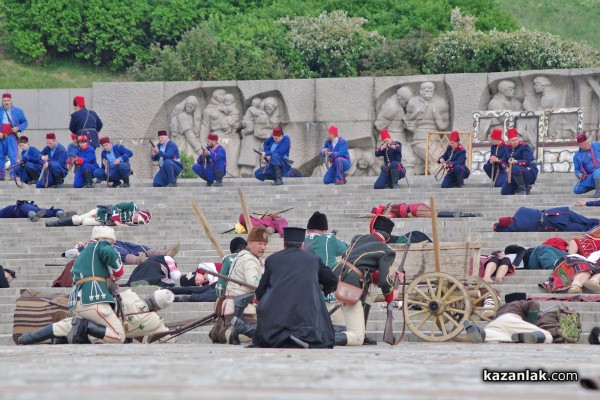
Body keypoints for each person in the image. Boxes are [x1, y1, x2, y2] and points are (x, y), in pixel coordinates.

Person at [18, 226, 125, 344]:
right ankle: (85, 328)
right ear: (110, 240)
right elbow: (109, 252)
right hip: (94, 300)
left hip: (76, 303)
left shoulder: (83, 251)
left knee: (69, 324)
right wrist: (118, 272)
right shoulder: (101, 245)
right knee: (119, 336)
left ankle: (30, 337)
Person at [253, 227, 337, 348]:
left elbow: (260, 292)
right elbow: (332, 281)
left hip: (275, 329)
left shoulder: (272, 260)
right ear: (302, 244)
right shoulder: (313, 259)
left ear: (284, 244)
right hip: (308, 328)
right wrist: (322, 288)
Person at [17, 286, 177, 344]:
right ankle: (65, 337)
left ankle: (29, 338)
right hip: (105, 338)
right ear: (160, 308)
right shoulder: (156, 322)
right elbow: (170, 340)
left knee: (67, 325)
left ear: (150, 296)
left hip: (100, 320)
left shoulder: (130, 295)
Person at [331, 215, 398, 346]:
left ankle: (362, 333)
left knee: (368, 288)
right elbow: (384, 281)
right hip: (351, 281)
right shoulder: (386, 250)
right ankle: (330, 338)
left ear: (373, 230)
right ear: (388, 238)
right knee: (356, 336)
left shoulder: (358, 239)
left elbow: (353, 259)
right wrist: (390, 300)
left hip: (336, 273)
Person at [222, 226, 268, 345]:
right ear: (249, 243)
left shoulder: (243, 255)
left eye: (264, 244)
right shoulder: (250, 260)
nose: (262, 247)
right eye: (259, 243)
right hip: (240, 308)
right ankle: (237, 327)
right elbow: (254, 283)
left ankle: (229, 330)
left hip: (232, 306)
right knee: (266, 334)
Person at [304, 211, 349, 327]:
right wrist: (334, 237)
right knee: (341, 330)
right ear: (324, 229)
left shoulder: (301, 240)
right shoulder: (330, 239)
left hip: (307, 299)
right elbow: (346, 248)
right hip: (329, 298)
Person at [463, 293, 552, 344]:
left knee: (502, 336)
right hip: (511, 318)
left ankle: (480, 332)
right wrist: (532, 322)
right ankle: (533, 335)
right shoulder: (520, 302)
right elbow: (533, 304)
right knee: (547, 335)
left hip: (495, 323)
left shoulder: (501, 308)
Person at [66, 240, 179, 266]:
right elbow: (67, 253)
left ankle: (163, 253)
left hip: (113, 241)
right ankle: (139, 260)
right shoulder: (83, 248)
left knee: (133, 246)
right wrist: (77, 248)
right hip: (103, 248)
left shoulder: (90, 240)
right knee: (119, 251)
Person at [493, 206, 599, 233]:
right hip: (556, 213)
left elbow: (501, 229)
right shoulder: (520, 210)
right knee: (585, 221)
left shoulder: (514, 227)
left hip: (552, 223)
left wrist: (496, 227)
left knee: (583, 226)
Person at [45, 201, 151, 227]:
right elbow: (116, 207)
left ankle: (70, 215)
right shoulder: (132, 206)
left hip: (103, 222)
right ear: (140, 213)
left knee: (84, 222)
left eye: (139, 222)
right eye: (139, 218)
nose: (137, 220)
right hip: (100, 212)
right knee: (78, 220)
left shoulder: (131, 222)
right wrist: (117, 222)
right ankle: (55, 223)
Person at [500, 127, 538, 195]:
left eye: (516, 139)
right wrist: (506, 167)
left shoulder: (524, 147)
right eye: (513, 140)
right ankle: (520, 187)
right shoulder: (507, 148)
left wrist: (516, 162)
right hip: (514, 174)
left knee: (514, 168)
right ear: (509, 141)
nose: (515, 142)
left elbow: (527, 162)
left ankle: (522, 188)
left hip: (529, 172)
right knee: (505, 191)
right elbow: (503, 161)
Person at [0, 93, 28, 180]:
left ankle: (13, 176)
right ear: (2, 101)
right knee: (0, 157)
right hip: (1, 138)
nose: (6, 102)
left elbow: (25, 122)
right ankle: (1, 175)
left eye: (8, 100)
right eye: (4, 101)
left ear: (11, 101)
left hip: (11, 138)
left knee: (13, 156)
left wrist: (18, 128)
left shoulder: (18, 111)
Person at [573, 132, 600, 197]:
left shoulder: (596, 145)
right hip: (590, 176)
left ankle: (598, 193)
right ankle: (597, 185)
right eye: (586, 144)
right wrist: (579, 174)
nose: (588, 144)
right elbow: (577, 169)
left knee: (597, 172)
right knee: (577, 189)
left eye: (588, 142)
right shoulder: (577, 156)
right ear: (580, 145)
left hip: (598, 171)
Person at [0, 200, 75, 222]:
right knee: (48, 212)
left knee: (28, 209)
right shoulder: (7, 208)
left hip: (24, 208)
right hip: (30, 207)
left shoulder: (6, 209)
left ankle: (33, 216)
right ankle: (58, 212)